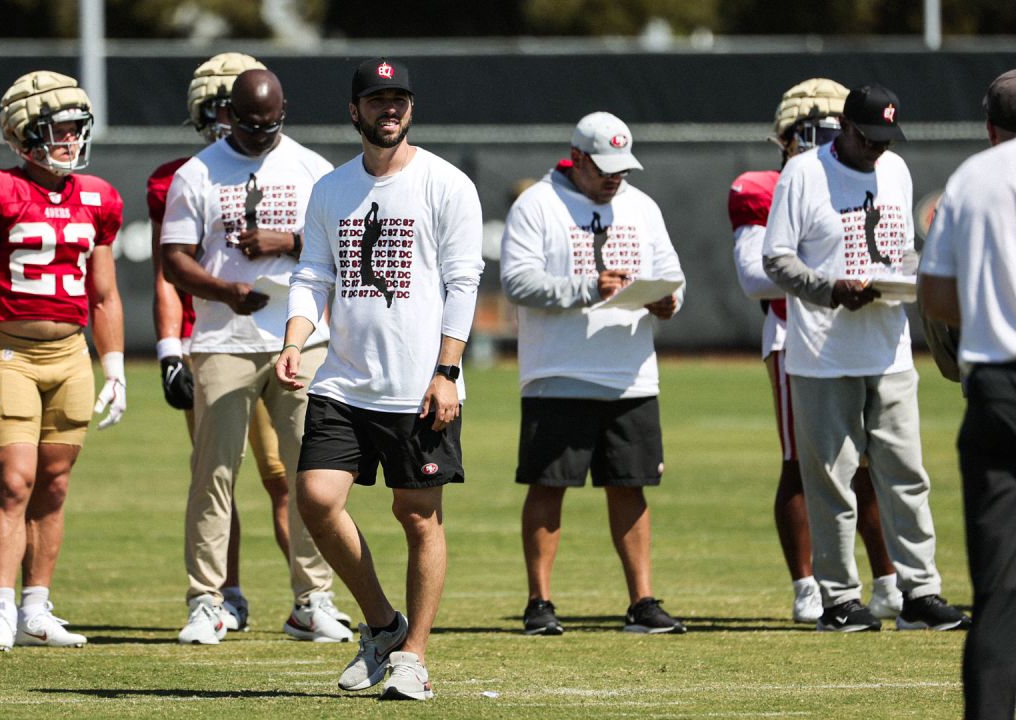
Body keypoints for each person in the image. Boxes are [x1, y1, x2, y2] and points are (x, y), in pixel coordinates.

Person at [277, 57, 484, 700]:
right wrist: (294, 337)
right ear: (355, 111)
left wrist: (447, 371)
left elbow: (463, 281)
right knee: (314, 497)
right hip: (344, 379)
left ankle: (413, 656)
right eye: (376, 100)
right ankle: (382, 626)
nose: (388, 110)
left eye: (398, 100)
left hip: (420, 384)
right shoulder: (331, 189)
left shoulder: (446, 184)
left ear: (410, 109)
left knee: (417, 515)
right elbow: (313, 274)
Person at [762, 83, 969, 632]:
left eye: (888, 137)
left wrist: (906, 281)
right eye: (871, 136)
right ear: (846, 129)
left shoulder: (896, 170)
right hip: (823, 353)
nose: (880, 148)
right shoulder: (804, 174)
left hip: (889, 346)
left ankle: (920, 592)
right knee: (831, 478)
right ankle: (839, 599)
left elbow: (898, 249)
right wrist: (831, 288)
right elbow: (776, 260)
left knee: (907, 474)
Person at [149, 53, 339, 633]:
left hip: (299, 334)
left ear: (284, 115)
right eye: (249, 125)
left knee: (313, 472)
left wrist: (284, 239)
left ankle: (313, 600)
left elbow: (341, 242)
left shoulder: (311, 167)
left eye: (271, 125)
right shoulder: (197, 173)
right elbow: (174, 260)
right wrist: (225, 290)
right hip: (224, 337)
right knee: (214, 474)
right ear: (228, 115)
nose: (260, 136)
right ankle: (206, 598)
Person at [0, 70, 126, 651]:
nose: (74, 141)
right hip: (12, 353)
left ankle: (36, 608)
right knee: (13, 481)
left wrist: (116, 367)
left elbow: (103, 294)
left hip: (72, 354)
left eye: (79, 129)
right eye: (62, 130)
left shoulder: (98, 197)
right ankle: (1, 606)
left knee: (53, 485)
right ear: (25, 136)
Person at [501, 112, 687, 636]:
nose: (614, 178)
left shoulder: (642, 206)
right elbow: (517, 282)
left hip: (631, 374)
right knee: (548, 485)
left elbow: (672, 273)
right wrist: (590, 287)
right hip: (557, 370)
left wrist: (669, 301)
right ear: (576, 159)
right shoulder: (537, 204)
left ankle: (643, 601)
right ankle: (540, 603)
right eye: (604, 168)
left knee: (631, 485)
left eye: (622, 169)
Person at [728, 78, 899, 624]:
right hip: (796, 337)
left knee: (872, 465)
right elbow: (758, 276)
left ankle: (890, 581)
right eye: (814, 130)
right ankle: (809, 586)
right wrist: (832, 280)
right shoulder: (768, 186)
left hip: (865, 338)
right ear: (788, 136)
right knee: (804, 464)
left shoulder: (865, 176)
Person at [920, 68, 1016, 720]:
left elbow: (935, 297)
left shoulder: (969, 180)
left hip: (996, 387)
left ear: (989, 126)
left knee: (999, 588)